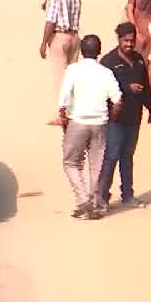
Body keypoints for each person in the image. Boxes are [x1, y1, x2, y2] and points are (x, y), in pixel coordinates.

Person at [56, 34, 122, 219]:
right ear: (98, 52)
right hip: (100, 122)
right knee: (96, 165)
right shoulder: (106, 72)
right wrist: (112, 118)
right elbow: (118, 100)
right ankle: (93, 203)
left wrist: (64, 119)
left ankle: (83, 200)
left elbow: (64, 99)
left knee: (70, 162)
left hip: (78, 121)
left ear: (82, 51)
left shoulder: (73, 70)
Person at [95, 22, 151, 212]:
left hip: (134, 118)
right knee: (111, 157)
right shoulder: (108, 61)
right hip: (115, 120)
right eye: (126, 40)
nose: (129, 44)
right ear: (119, 39)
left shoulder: (138, 59)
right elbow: (102, 90)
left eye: (132, 40)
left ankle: (127, 195)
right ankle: (102, 198)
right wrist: (127, 88)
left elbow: (146, 86)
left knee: (127, 157)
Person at [41, 0, 82, 98]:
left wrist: (43, 43)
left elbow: (51, 21)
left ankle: (62, 115)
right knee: (72, 77)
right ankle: (72, 110)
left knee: (61, 78)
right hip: (75, 36)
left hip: (60, 37)